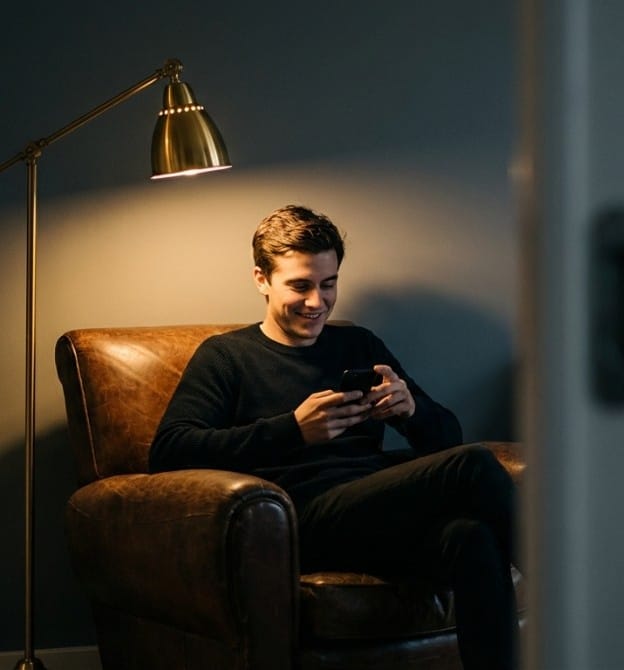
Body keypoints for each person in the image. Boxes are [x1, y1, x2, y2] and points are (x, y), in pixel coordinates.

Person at [149, 204, 517, 670]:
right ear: (261, 279)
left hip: (372, 507)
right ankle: (575, 599)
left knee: (474, 537)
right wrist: (294, 430)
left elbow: (445, 437)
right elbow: (170, 450)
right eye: (300, 285)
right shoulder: (226, 356)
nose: (317, 302)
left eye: (329, 284)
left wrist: (411, 409)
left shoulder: (358, 343)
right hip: (301, 515)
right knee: (472, 464)